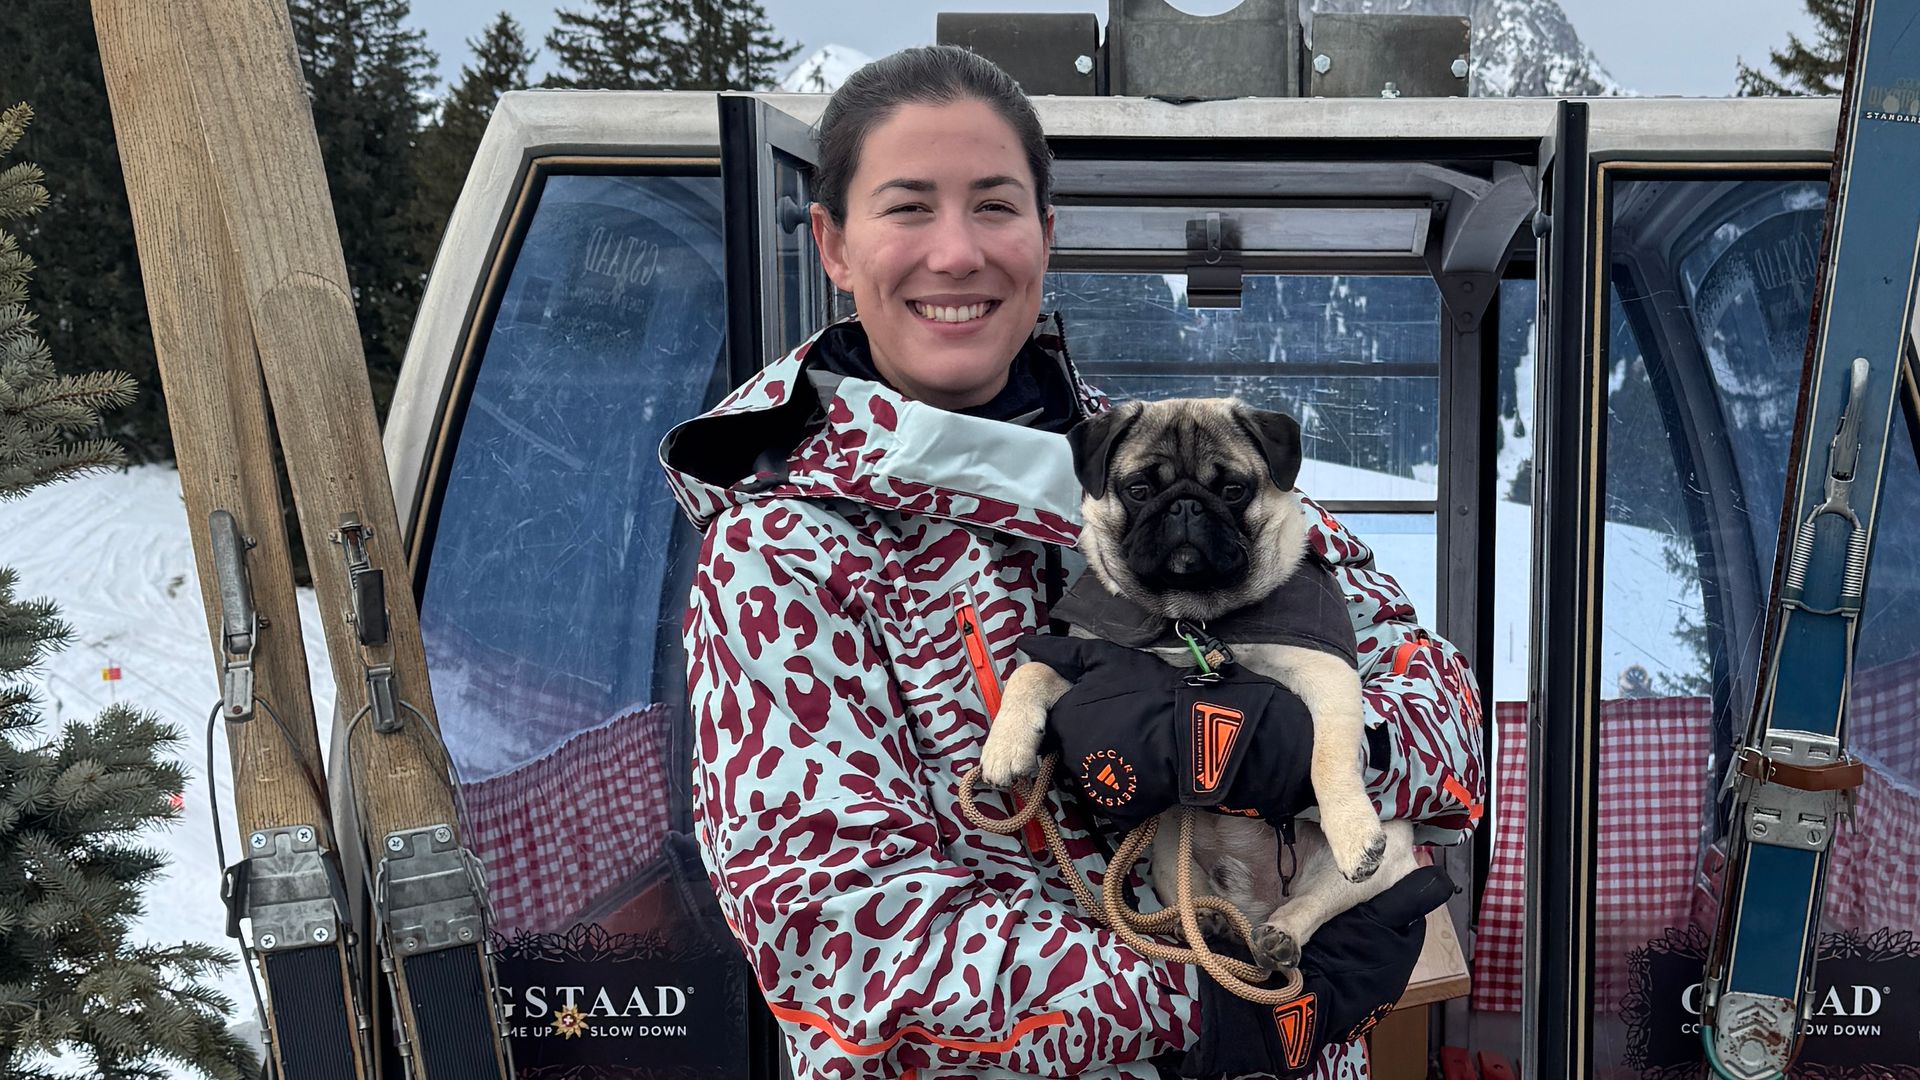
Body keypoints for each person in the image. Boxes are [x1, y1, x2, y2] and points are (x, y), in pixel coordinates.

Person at [658, 45, 1484, 1080]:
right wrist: (1206, 1005)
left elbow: (1449, 717)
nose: (956, 253)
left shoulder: (1177, 462)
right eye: (908, 207)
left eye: (994, 206)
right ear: (832, 242)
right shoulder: (781, 550)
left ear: (1045, 238)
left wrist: (1304, 746)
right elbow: (846, 944)